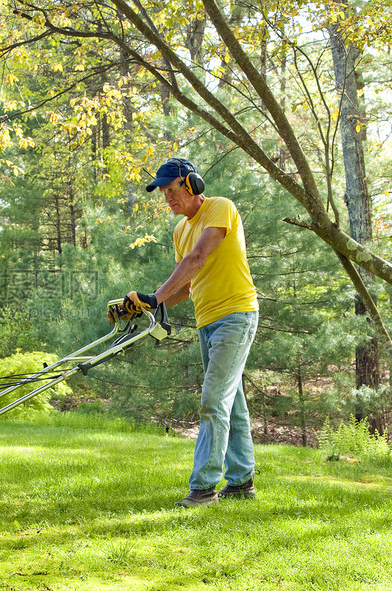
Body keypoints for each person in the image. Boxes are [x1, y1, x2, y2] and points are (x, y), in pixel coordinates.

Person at [117, 157, 259, 507]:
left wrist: (155, 295)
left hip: (237, 315)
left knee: (213, 400)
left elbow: (197, 259)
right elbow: (187, 283)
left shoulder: (219, 209)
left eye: (171, 189)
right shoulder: (180, 230)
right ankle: (241, 482)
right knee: (231, 402)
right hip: (206, 321)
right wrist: (151, 305)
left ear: (192, 184)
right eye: (162, 193)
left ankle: (204, 487)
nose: (167, 198)